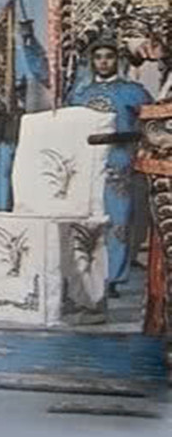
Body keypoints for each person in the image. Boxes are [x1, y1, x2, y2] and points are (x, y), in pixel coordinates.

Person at [67, 37, 151, 297]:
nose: (103, 62)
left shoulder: (133, 91)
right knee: (86, 219)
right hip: (85, 163)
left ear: (118, 60)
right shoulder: (80, 94)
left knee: (118, 220)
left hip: (118, 162)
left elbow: (152, 125)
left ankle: (112, 278)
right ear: (92, 61)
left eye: (109, 56)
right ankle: (83, 275)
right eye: (98, 57)